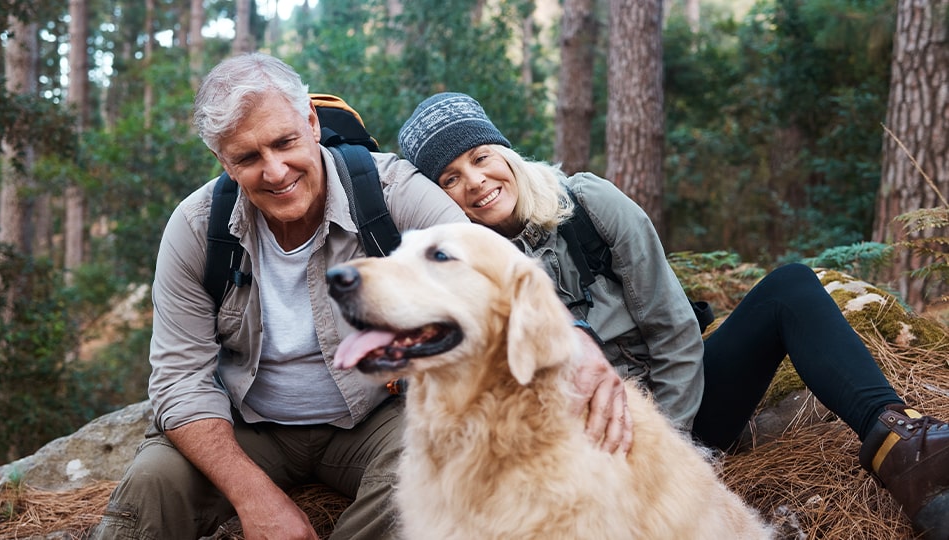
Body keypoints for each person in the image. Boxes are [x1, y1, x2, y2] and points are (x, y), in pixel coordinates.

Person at [93, 54, 630, 540]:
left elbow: (497, 266)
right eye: (248, 157)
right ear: (224, 161)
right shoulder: (195, 229)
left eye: (284, 143)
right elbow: (179, 378)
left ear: (309, 122)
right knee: (153, 481)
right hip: (248, 425)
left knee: (439, 463)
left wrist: (575, 340)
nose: (276, 171)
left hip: (379, 417)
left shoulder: (391, 190)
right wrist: (255, 497)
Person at [398, 92, 949, 538]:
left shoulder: (588, 204)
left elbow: (673, 328)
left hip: (680, 407)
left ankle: (904, 444)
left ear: (505, 153)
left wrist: (676, 449)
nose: (474, 181)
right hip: (578, 445)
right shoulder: (464, 272)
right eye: (449, 178)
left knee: (790, 288)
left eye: (480, 157)